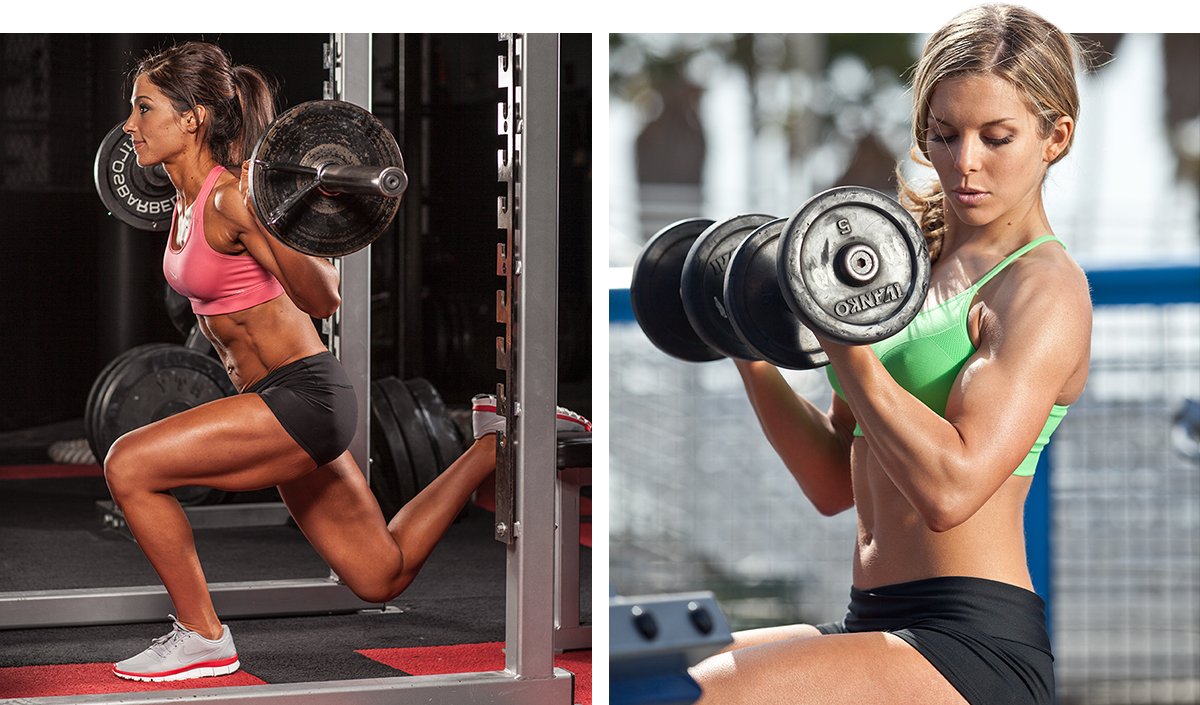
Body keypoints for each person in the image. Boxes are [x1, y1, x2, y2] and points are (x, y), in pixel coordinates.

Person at [105, 41, 590, 682]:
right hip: (276, 403)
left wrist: (275, 219)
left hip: (299, 398)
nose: (131, 127)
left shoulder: (238, 199)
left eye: (144, 109)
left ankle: (202, 635)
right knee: (377, 574)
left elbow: (323, 296)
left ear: (192, 118)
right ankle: (495, 446)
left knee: (130, 465)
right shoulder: (183, 201)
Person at [690, 6, 1092, 705]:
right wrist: (744, 340)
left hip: (969, 644)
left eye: (997, 137)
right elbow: (830, 478)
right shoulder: (908, 265)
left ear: (1054, 137)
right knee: (647, 666)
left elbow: (949, 491)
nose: (965, 161)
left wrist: (844, 344)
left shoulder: (1044, 289)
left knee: (701, 693)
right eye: (944, 134)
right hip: (874, 619)